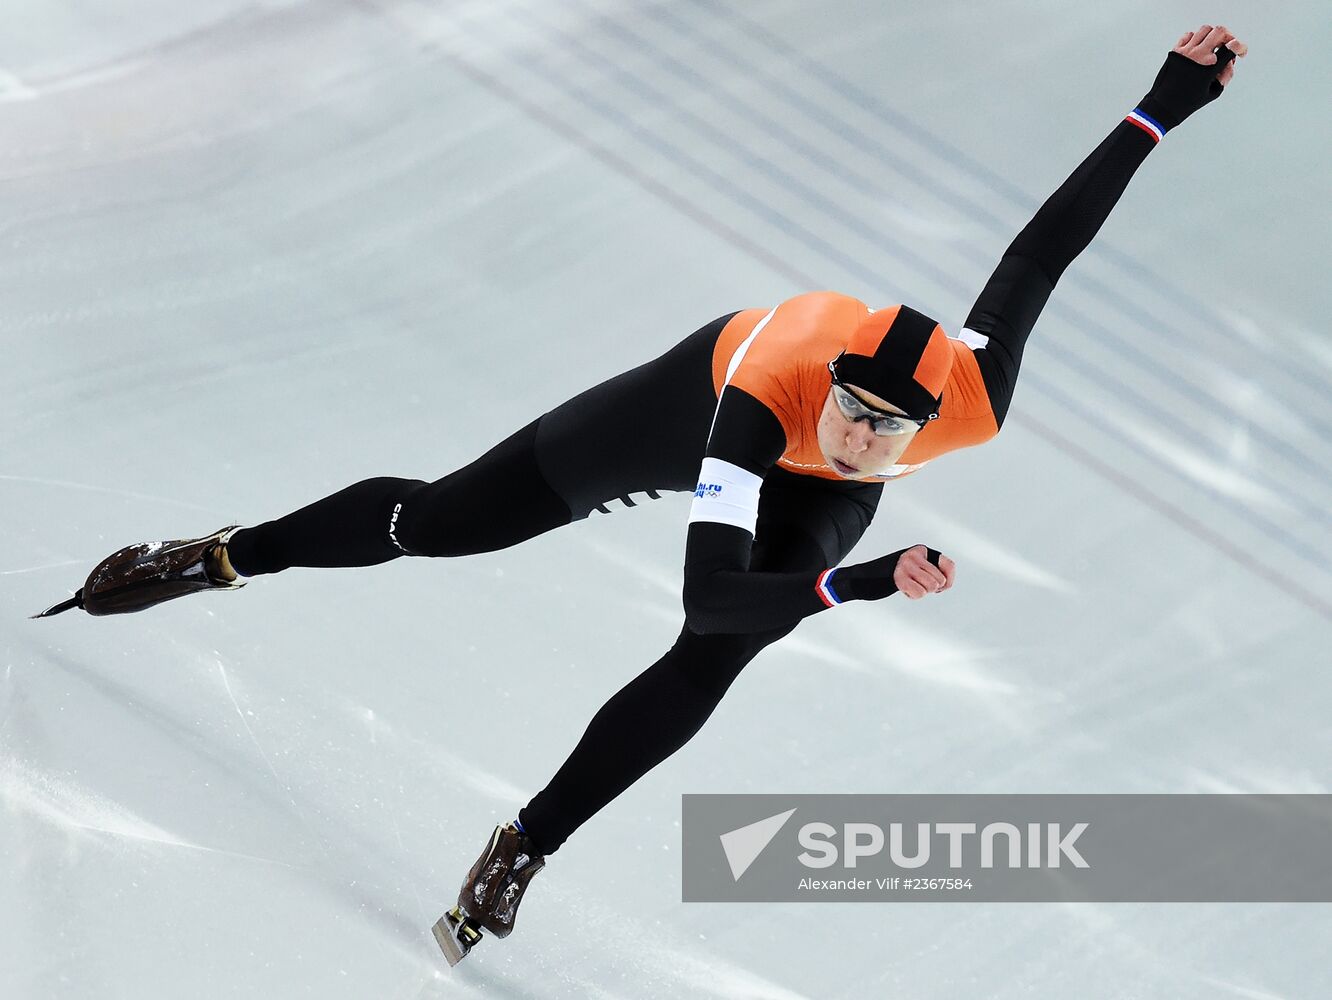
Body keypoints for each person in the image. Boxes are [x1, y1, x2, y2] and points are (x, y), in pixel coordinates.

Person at [35, 25, 1247, 964]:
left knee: (714, 659)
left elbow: (1041, 255)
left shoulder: (974, 394)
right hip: (687, 399)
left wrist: (1164, 104)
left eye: (889, 432)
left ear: (927, 419)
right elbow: (716, 585)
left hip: (804, 487)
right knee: (436, 526)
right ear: (828, 387)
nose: (865, 439)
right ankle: (221, 555)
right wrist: (866, 580)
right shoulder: (768, 401)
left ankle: (524, 845)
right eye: (854, 416)